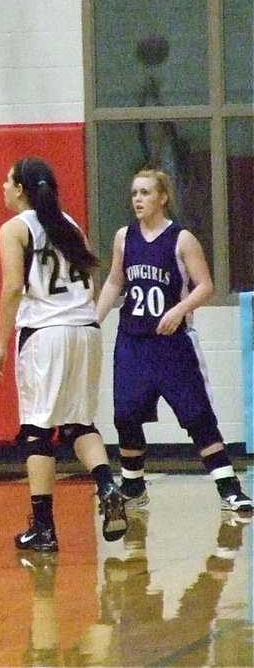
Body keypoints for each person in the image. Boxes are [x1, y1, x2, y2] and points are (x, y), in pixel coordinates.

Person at [0, 157, 127, 553]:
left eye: (7, 181)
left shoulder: (14, 229)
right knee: (79, 423)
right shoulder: (70, 225)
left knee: (37, 429)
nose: (2, 187)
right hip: (86, 328)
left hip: (46, 334)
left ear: (21, 189)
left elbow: (13, 288)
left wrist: (0, 344)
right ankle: (107, 485)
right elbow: (90, 281)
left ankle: (44, 528)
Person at [95, 169, 253, 514]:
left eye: (145, 192)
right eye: (134, 193)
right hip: (133, 342)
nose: (138, 199)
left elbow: (205, 286)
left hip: (173, 345)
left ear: (163, 197)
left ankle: (229, 488)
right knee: (126, 415)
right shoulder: (124, 237)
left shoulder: (182, 239)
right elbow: (115, 281)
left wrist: (180, 309)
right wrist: (94, 320)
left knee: (197, 415)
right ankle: (134, 486)